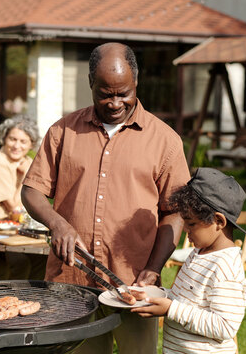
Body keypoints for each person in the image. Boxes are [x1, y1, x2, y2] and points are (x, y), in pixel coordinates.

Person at [21, 42, 190, 354]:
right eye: (105, 93)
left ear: (136, 83)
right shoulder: (63, 132)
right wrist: (58, 224)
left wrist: (154, 268)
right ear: (90, 84)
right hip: (71, 282)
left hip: (133, 286)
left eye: (123, 93)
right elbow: (32, 190)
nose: (115, 102)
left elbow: (175, 211)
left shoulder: (164, 140)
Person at [132, 167, 246, 353]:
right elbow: (188, 301)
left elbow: (225, 326)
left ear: (219, 221)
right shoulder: (198, 253)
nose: (186, 230)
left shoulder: (225, 268)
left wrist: (171, 309)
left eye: (191, 223)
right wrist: (157, 294)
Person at [0, 115, 46, 280]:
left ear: (31, 144)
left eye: (23, 141)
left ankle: (33, 297)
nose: (17, 146)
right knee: (21, 262)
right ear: (4, 139)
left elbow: (37, 198)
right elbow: (13, 209)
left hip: (14, 229)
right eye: (12, 139)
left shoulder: (26, 161)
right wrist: (25, 178)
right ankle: (11, 298)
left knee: (44, 258)